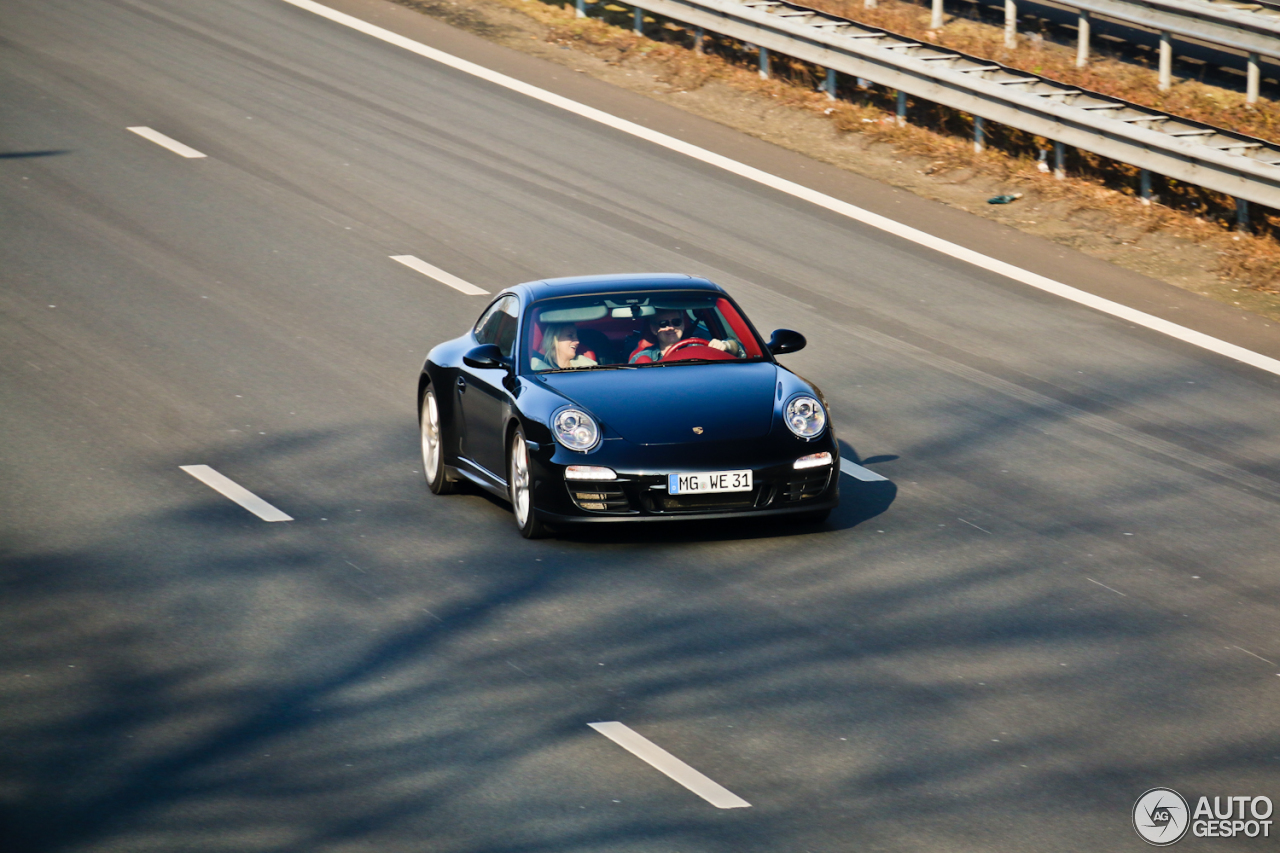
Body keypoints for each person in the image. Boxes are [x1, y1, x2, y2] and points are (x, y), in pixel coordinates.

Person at [629, 309, 742, 363]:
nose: (671, 327)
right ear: (654, 329)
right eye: (663, 324)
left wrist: (726, 345)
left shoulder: (699, 346)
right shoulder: (642, 357)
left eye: (676, 322)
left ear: (683, 324)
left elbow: (740, 349)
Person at [531, 322, 598, 370]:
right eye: (570, 335)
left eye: (577, 336)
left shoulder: (587, 364)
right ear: (554, 339)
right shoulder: (536, 366)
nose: (577, 341)